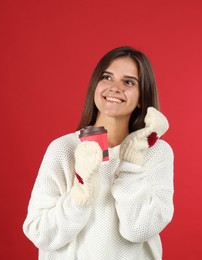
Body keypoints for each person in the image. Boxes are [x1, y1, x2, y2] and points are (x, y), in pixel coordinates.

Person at [23, 46, 174, 260]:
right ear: (96, 85)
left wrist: (131, 163)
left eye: (129, 82)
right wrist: (80, 193)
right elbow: (39, 233)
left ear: (142, 97)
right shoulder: (62, 149)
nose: (115, 87)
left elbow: (139, 229)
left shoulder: (156, 152)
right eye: (107, 77)